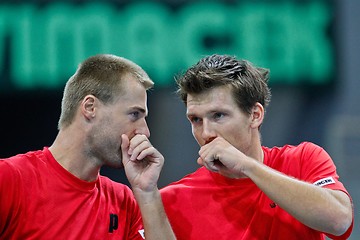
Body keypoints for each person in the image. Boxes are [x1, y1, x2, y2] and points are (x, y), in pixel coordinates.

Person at [160, 54, 354, 240]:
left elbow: (339, 221)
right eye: (196, 119)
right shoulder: (172, 200)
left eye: (218, 115)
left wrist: (247, 166)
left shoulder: (304, 159)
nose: (206, 133)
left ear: (255, 115)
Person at [0, 54, 176, 240]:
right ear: (90, 107)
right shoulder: (10, 179)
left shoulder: (124, 202)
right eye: (134, 114)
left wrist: (148, 192)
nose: (145, 131)